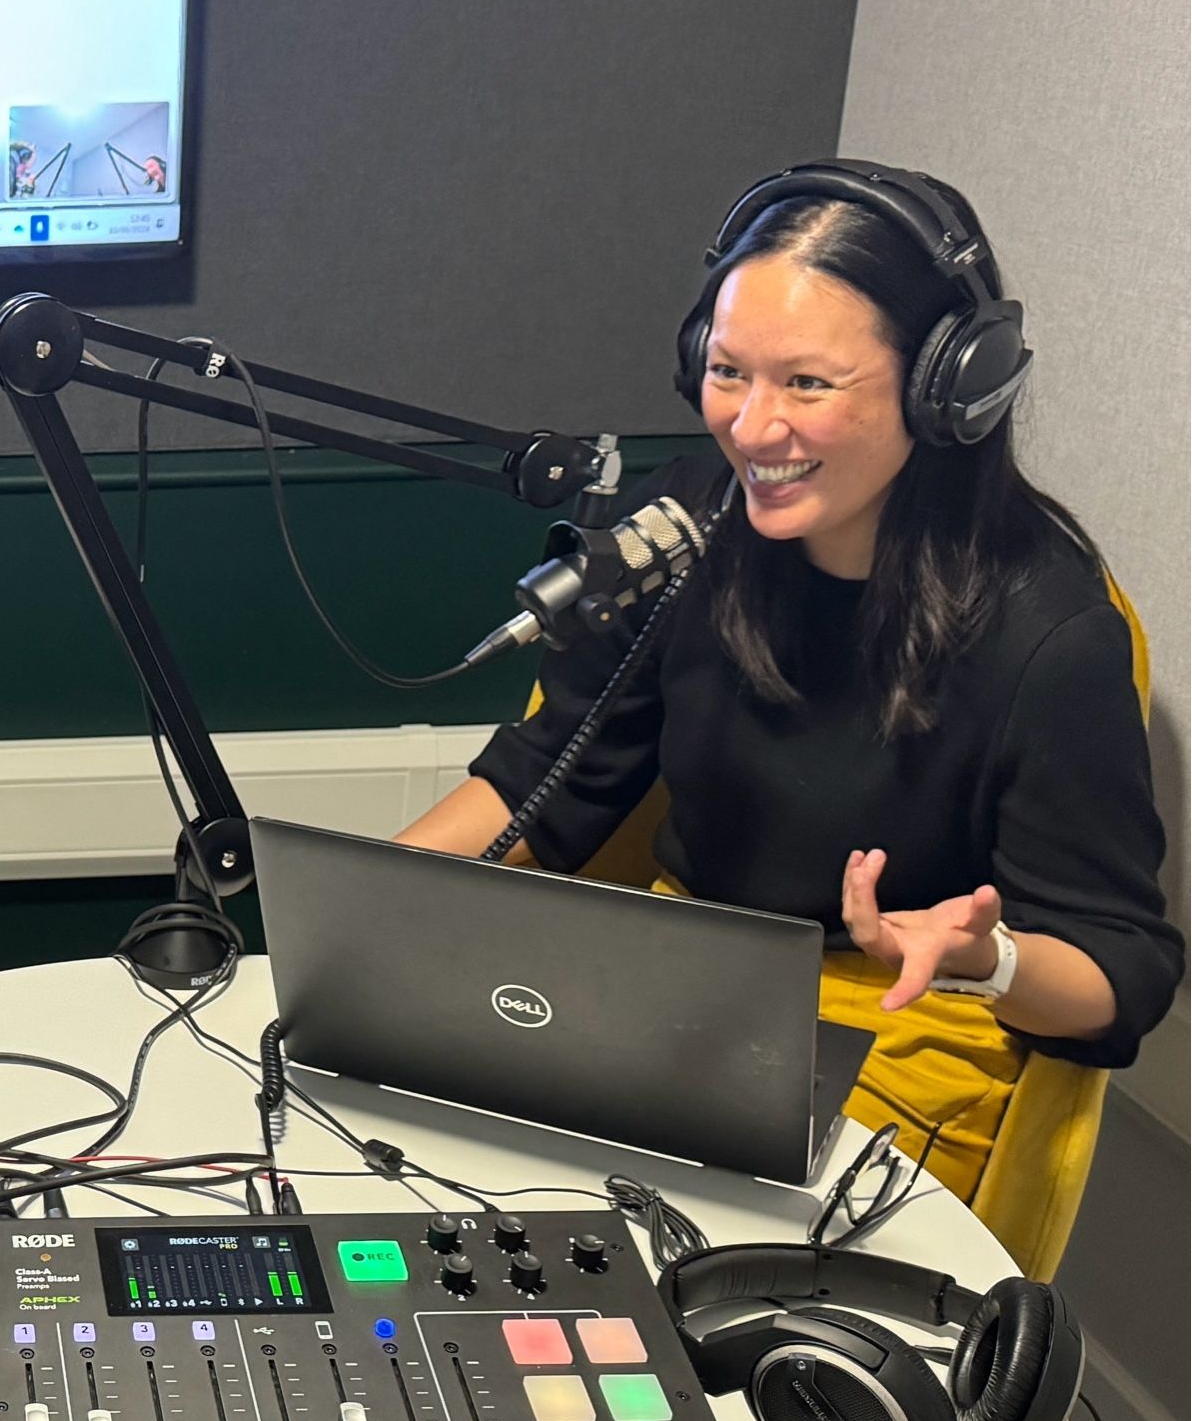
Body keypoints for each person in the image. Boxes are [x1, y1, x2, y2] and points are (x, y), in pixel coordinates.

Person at [396, 160, 1184, 1200]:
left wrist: (987, 958)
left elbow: (1120, 972)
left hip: (897, 1035)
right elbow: (548, 780)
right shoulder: (691, 528)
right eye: (729, 372)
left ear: (947, 386)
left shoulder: (1048, 634)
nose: (752, 429)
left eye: (808, 383)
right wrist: (362, 921)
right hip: (682, 995)